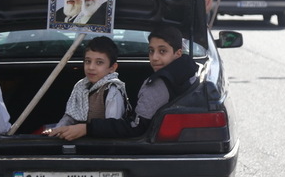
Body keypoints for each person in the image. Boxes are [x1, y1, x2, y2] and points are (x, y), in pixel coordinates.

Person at [47, 25, 197, 140]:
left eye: (162, 51)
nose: (154, 57)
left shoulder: (158, 84)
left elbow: (135, 127)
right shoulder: (188, 73)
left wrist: (87, 129)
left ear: (178, 53)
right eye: (151, 51)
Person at [42, 36, 128, 134]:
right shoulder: (81, 86)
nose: (91, 67)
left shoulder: (112, 91)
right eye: (87, 61)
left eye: (99, 62)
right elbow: (70, 117)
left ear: (112, 67)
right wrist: (57, 131)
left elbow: (112, 127)